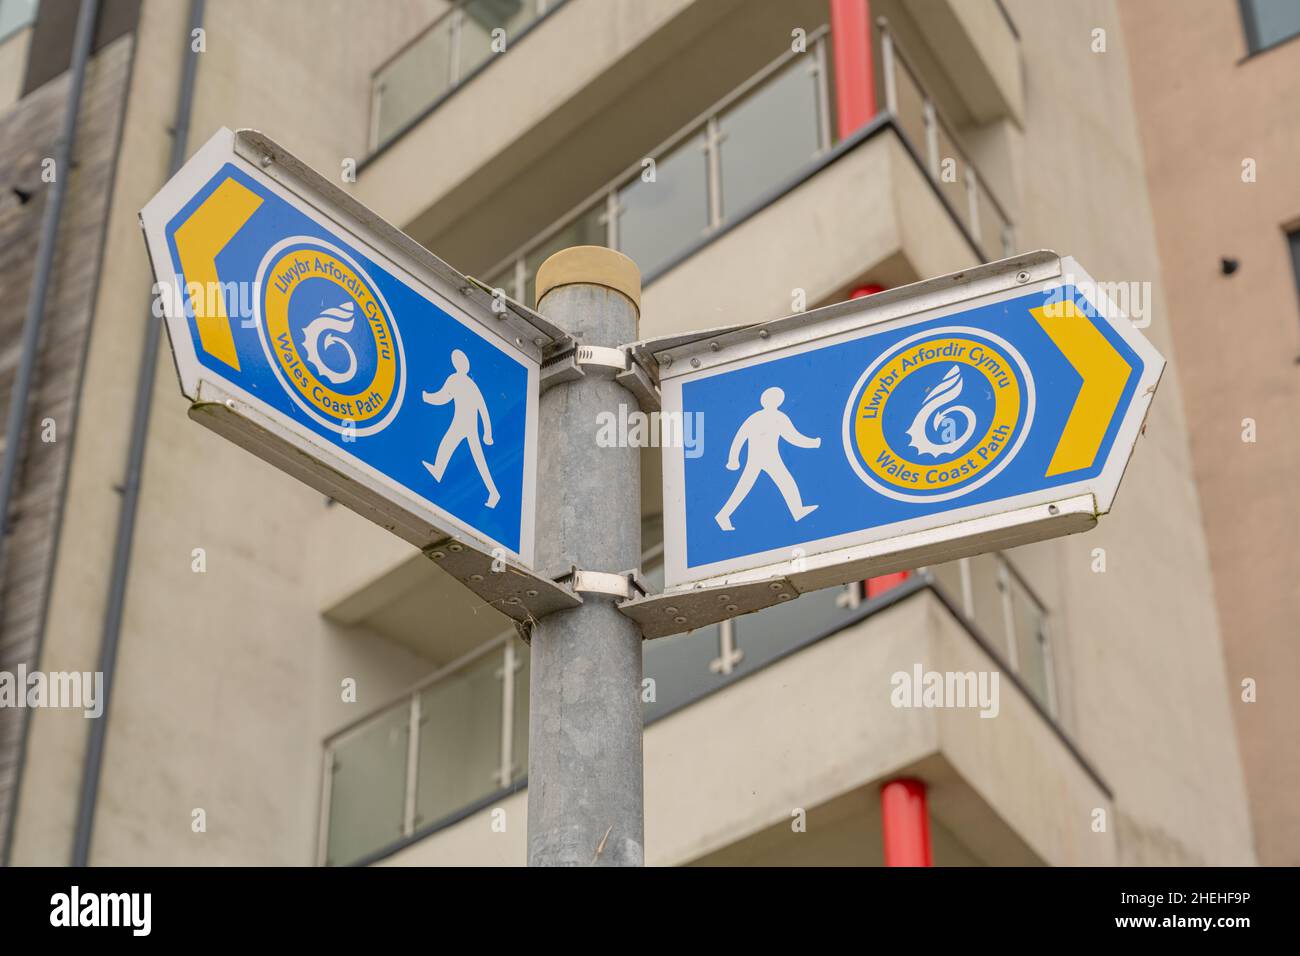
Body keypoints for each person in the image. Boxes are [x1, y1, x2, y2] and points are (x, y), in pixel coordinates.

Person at [715, 386, 819, 531]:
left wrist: (734, 459)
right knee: (746, 487)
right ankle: (723, 515)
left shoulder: (759, 417)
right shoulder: (777, 417)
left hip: (767, 457)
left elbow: (739, 438)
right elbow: (793, 437)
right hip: (764, 457)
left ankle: (797, 510)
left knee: (782, 482)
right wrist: (813, 443)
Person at [422, 349, 500, 509]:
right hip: (466, 424)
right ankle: (438, 470)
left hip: (464, 424)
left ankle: (494, 492)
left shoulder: (456, 380)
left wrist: (426, 397)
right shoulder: (469, 383)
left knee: (475, 458)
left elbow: (442, 397)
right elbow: (482, 409)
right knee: (450, 446)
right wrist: (487, 432)